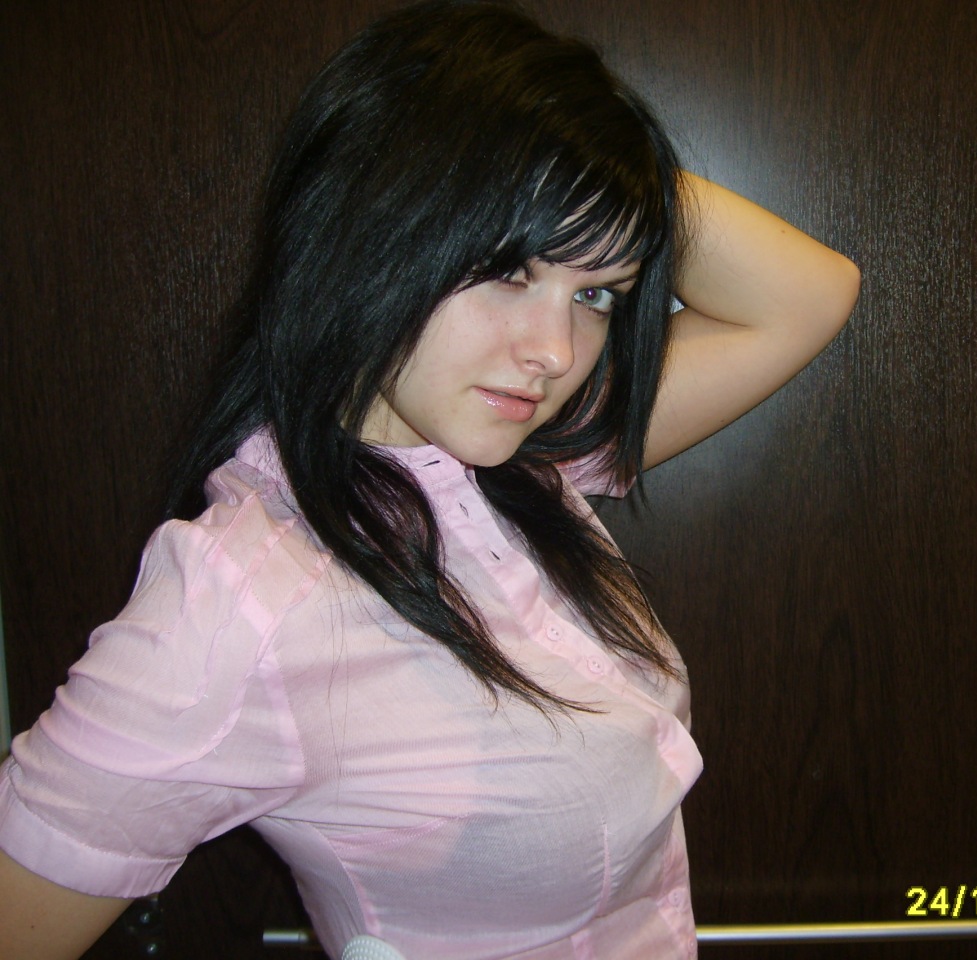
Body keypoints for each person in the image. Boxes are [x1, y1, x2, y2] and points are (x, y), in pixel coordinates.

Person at [0, 2, 861, 958]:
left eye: (595, 294)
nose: (555, 352)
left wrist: (589, 162)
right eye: (507, 269)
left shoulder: (525, 456)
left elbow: (811, 294)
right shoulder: (240, 607)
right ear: (373, 225)